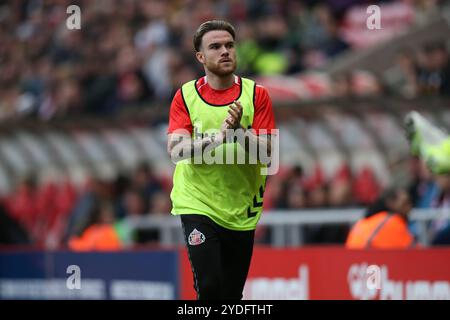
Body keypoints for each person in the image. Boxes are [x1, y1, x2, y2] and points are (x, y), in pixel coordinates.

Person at [167, 20, 276, 300]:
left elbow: (269, 155)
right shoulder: (186, 96)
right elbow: (176, 150)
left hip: (241, 208)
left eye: (229, 45)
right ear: (200, 57)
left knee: (230, 295)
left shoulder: (256, 95)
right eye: (215, 47)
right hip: (197, 201)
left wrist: (239, 132)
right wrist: (217, 138)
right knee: (210, 286)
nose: (225, 51)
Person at [346, 188, 415, 249]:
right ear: (391, 203)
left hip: (353, 261)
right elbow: (412, 251)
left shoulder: (363, 221)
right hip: (371, 260)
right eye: (405, 203)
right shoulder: (393, 221)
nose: (409, 208)